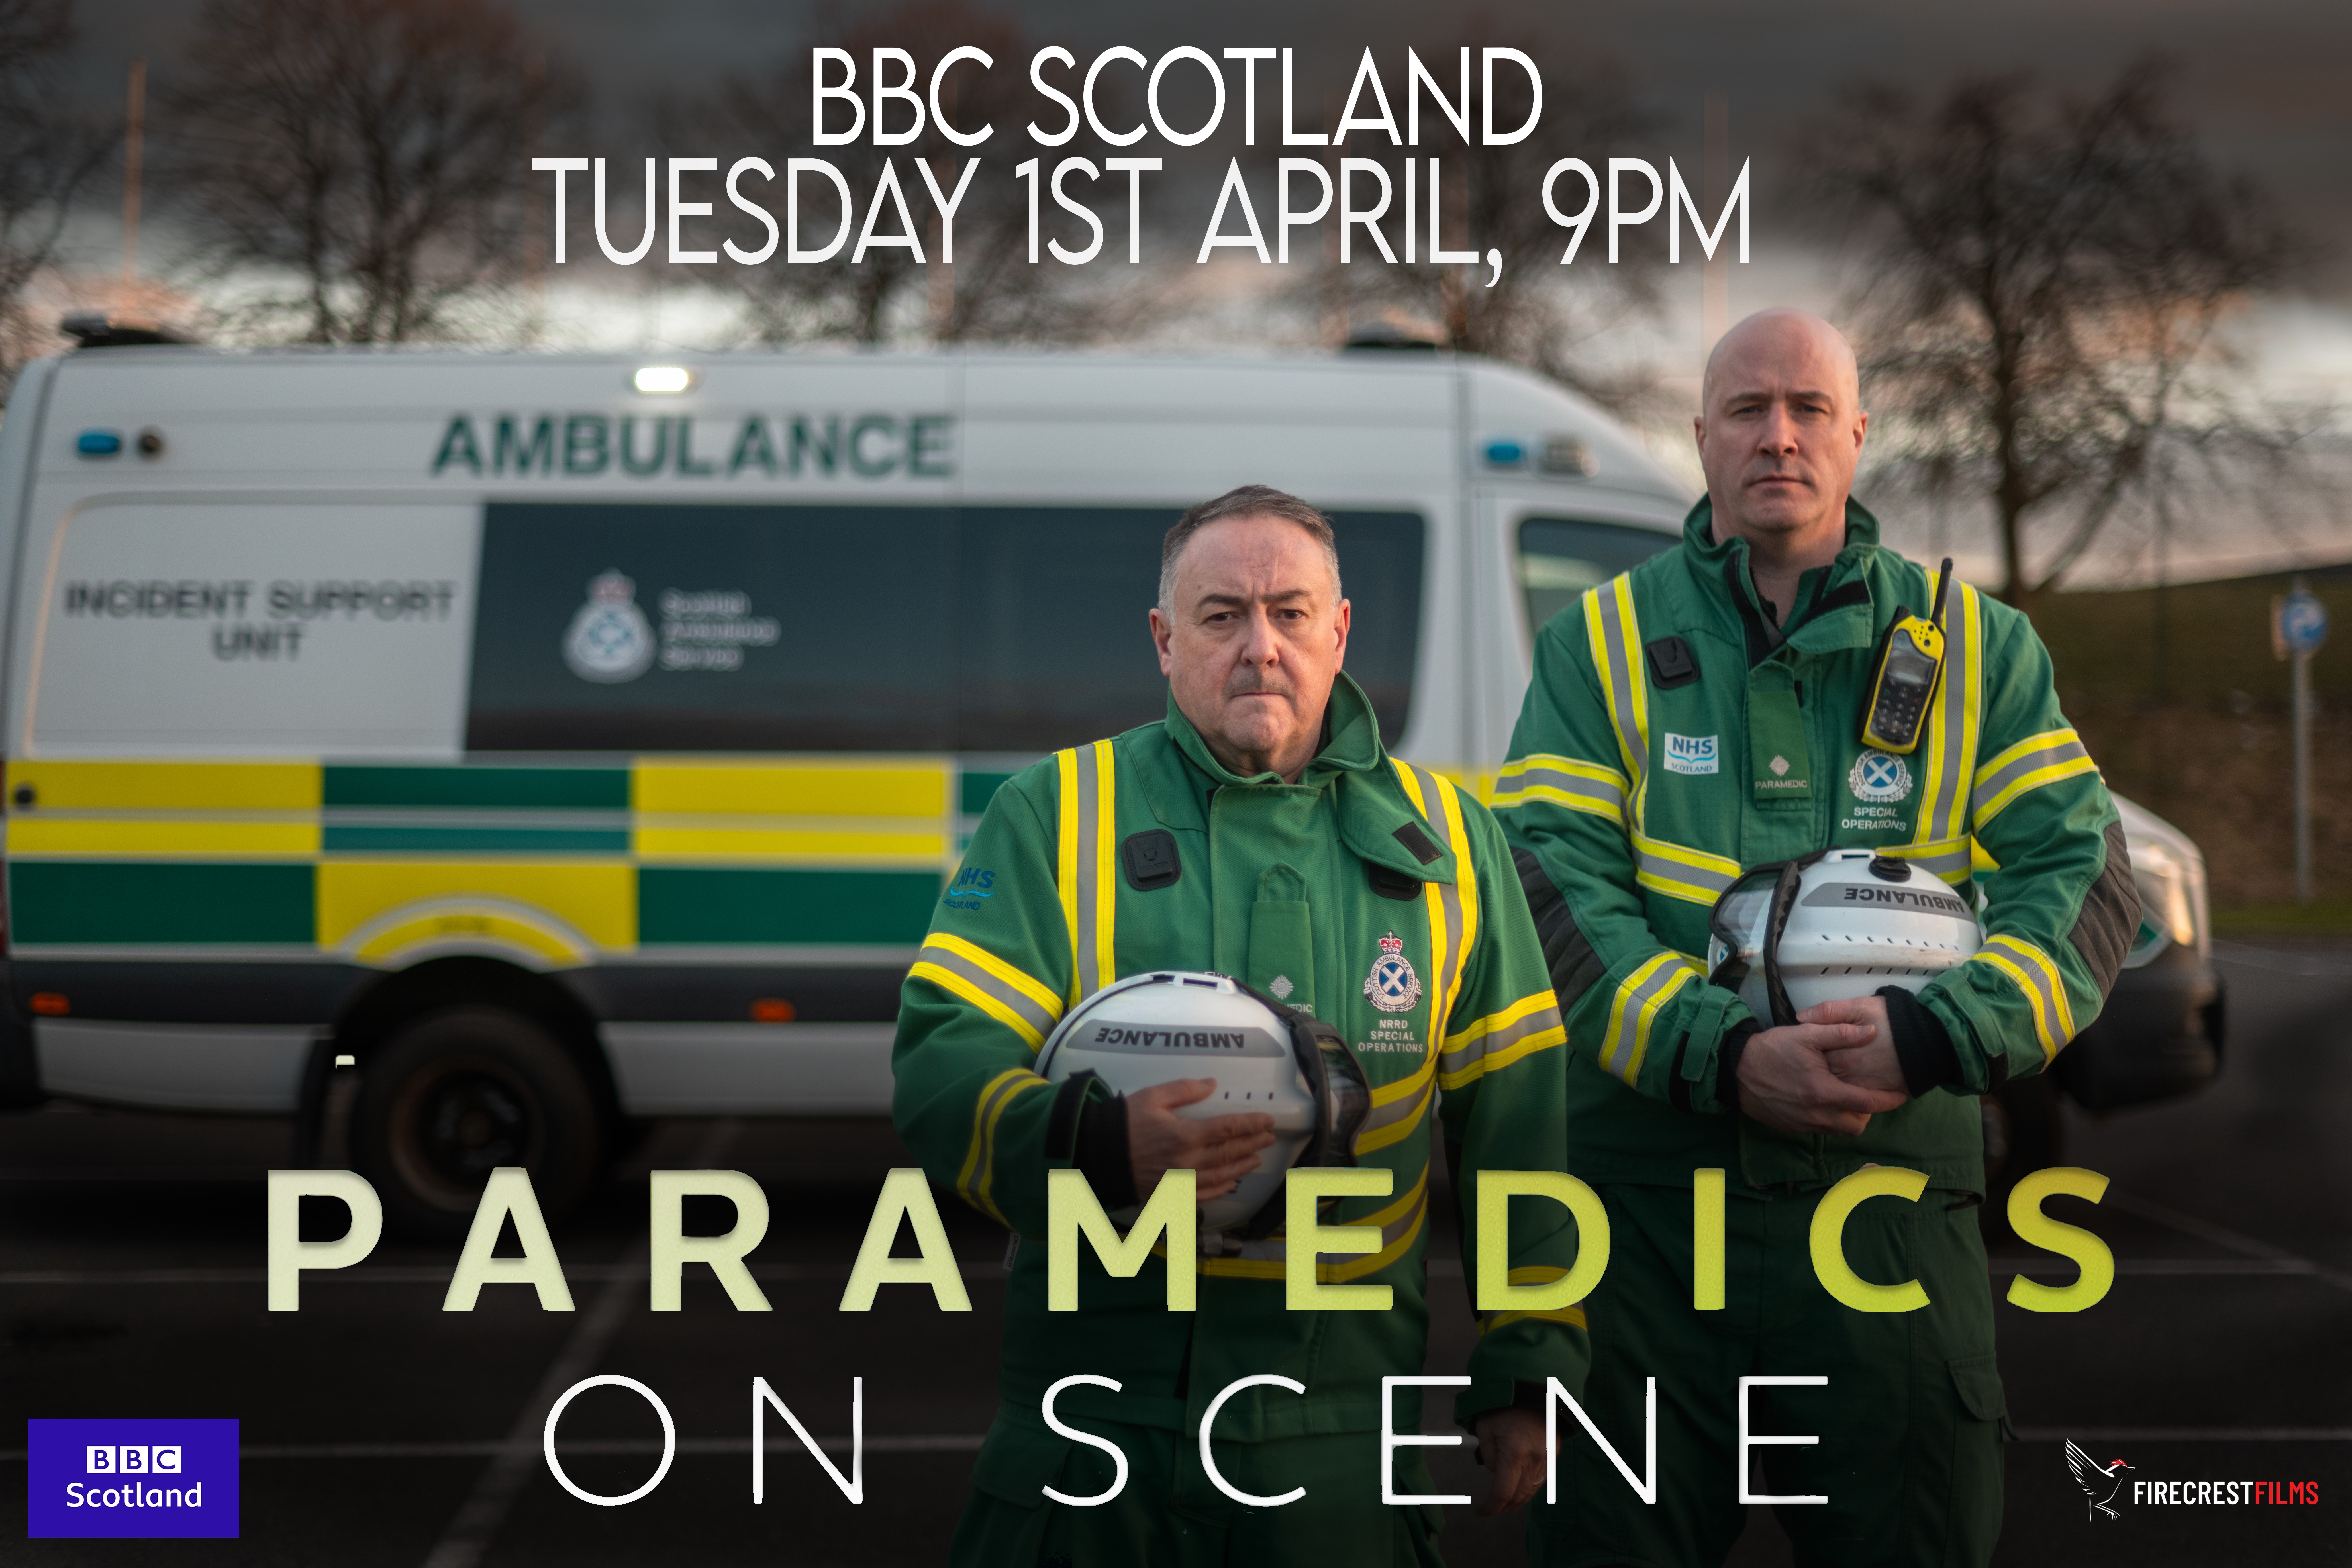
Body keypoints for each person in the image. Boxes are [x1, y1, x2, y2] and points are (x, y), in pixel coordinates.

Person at [1496, 310, 2140, 1566]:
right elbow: (1549, 885)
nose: (1776, 435)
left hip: (1891, 1210)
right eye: (1745, 410)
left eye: (1806, 408)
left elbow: (2086, 871)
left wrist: (1932, 1033)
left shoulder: (1976, 647)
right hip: (1645, 1219)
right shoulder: (1600, 643)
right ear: (1700, 439)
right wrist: (1719, 1053)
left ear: (1858, 433)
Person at [893, 484, 1585, 1564]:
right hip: (1090, 1431)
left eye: (1291, 613)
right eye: (1222, 617)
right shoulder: (1054, 813)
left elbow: (1527, 1136)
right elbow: (943, 1068)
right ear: (1166, 643)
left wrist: (1532, 1366)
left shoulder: (1455, 840)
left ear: (1341, 630)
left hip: (1340, 1440)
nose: (1260, 647)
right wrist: (1096, 1144)